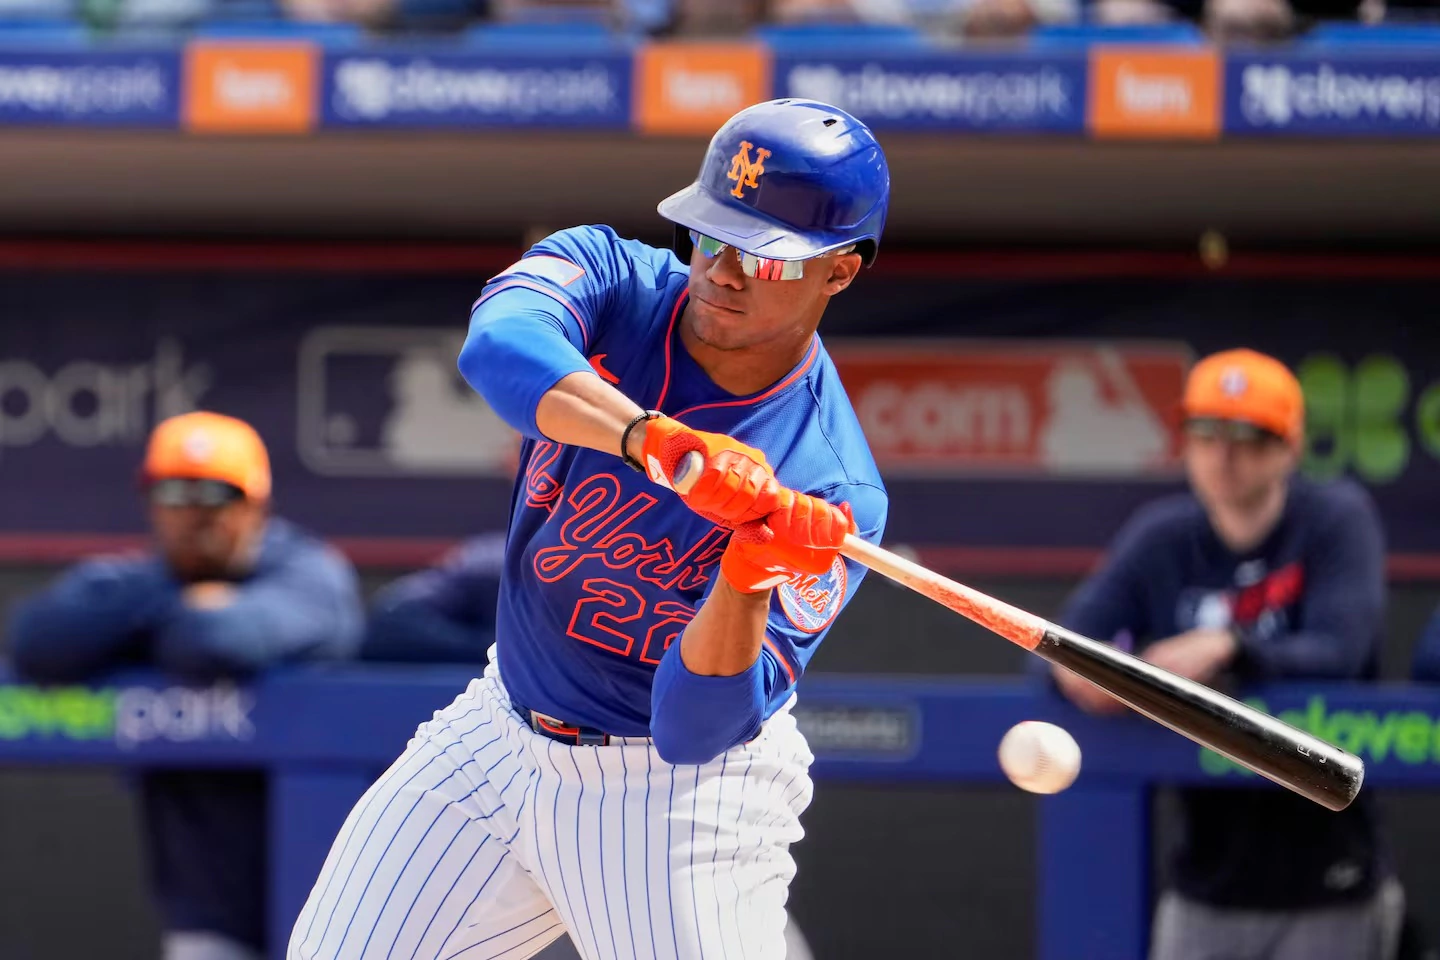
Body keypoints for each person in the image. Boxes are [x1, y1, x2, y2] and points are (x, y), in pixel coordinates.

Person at [288, 97, 888, 960]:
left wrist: (748, 574)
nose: (722, 271)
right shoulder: (609, 275)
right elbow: (498, 349)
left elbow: (693, 730)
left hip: (674, 798)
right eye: (711, 236)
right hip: (497, 733)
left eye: (764, 255)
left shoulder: (830, 484)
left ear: (840, 270)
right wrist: (658, 441)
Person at [1049, 348, 1403, 960]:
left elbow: (1340, 651)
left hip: (1327, 866)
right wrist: (1087, 674)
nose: (1223, 456)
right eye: (1206, 434)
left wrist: (1227, 646)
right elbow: (1064, 642)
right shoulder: (1162, 534)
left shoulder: (1335, 518)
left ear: (1290, 447)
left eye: (1248, 438)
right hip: (1204, 871)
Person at [8, 411, 365, 960]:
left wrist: (148, 627)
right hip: (209, 910)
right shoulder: (144, 580)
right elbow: (38, 640)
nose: (193, 514)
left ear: (256, 503)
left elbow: (215, 641)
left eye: (216, 494)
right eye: (174, 493)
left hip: (335, 902)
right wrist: (174, 602)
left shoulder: (308, 571)